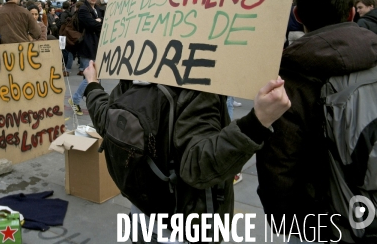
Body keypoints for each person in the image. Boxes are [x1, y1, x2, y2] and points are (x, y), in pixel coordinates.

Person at [83, 60, 291, 243]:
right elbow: (197, 167)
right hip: (184, 228)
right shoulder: (196, 86)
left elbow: (105, 119)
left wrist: (93, 84)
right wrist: (257, 122)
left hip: (142, 212)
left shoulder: (132, 76)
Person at [256, 0, 377, 242]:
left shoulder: (290, 78)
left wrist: (291, 227)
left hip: (324, 221)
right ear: (350, 13)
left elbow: (279, 170)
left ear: (297, 15)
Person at [68, 0, 103, 115]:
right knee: (90, 77)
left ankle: (95, 101)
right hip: (87, 47)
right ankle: (75, 99)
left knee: (96, 76)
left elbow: (102, 23)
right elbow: (91, 24)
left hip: (96, 46)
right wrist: (97, 22)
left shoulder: (98, 9)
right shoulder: (83, 9)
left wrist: (98, 21)